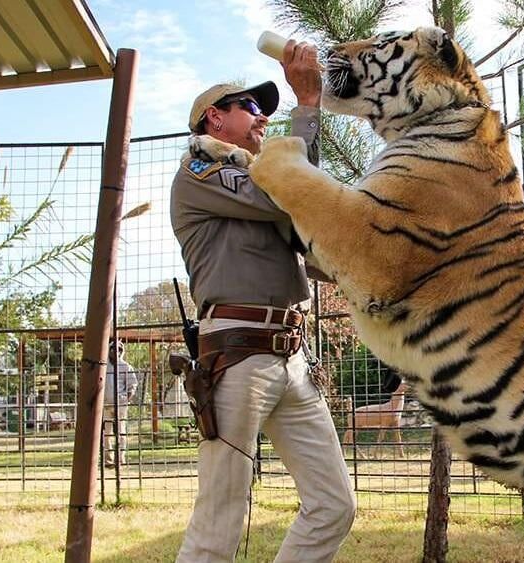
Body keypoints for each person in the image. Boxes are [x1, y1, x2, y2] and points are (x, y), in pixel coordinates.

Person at [170, 39, 356, 563]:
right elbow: (292, 193)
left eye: (268, 112)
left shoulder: (258, 180)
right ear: (214, 118)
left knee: (334, 505)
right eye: (251, 106)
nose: (262, 120)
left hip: (292, 357)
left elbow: (311, 214)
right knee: (218, 523)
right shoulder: (200, 172)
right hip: (237, 353)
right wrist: (307, 108)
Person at [103, 339, 138, 468]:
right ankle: (108, 460)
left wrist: (127, 398)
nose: (115, 351)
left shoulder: (125, 366)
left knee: (121, 433)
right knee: (106, 434)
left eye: (119, 349)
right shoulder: (104, 366)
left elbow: (132, 385)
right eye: (113, 349)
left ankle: (120, 459)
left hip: (121, 404)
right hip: (106, 404)